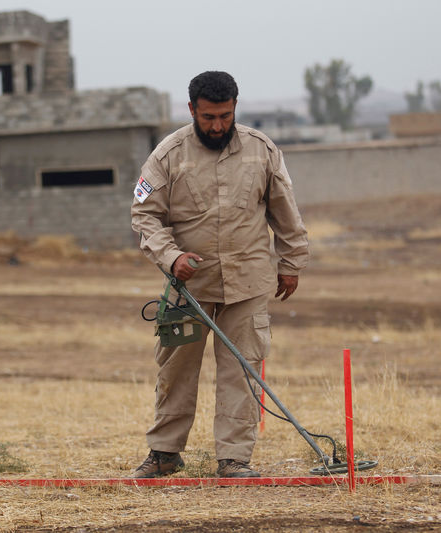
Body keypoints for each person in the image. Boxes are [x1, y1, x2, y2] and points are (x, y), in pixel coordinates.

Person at [130, 71, 309, 478]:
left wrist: (292, 263)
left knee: (242, 371)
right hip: (187, 288)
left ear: (235, 108)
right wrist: (171, 257)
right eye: (208, 116)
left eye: (225, 116)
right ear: (192, 109)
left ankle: (233, 460)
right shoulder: (167, 155)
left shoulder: (262, 150)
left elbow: (286, 212)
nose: (217, 126)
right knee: (175, 371)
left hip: (247, 284)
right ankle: (164, 453)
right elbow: (144, 215)